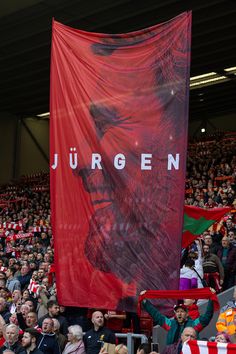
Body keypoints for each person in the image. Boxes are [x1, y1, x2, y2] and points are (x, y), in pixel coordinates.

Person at [141, 290, 214, 345]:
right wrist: (145, 302)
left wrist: (211, 299)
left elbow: (207, 316)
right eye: (177, 311)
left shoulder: (194, 324)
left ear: (187, 314)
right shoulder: (170, 324)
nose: (179, 314)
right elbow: (157, 315)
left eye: (182, 311)